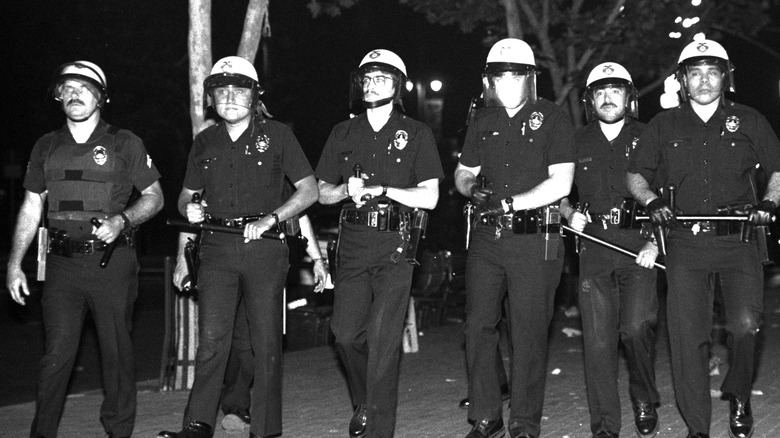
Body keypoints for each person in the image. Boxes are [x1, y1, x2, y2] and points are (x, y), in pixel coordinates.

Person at [157, 56, 318, 438]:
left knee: (263, 342)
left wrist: (271, 218)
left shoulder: (278, 135)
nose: (229, 97)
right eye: (221, 91)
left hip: (264, 247)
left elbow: (308, 190)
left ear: (254, 95)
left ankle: (264, 428)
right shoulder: (205, 141)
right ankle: (197, 424)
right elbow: (184, 197)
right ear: (210, 98)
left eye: (239, 90)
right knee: (212, 341)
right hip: (217, 249)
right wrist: (189, 208)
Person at [627, 39, 780, 438]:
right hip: (685, 244)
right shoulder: (664, 125)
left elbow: (778, 169)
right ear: (682, 80)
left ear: (725, 77)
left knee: (747, 326)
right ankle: (698, 426)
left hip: (739, 239)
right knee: (687, 337)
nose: (704, 80)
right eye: (695, 73)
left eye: (713, 72)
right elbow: (636, 174)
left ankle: (740, 394)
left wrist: (769, 201)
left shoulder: (750, 120)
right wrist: (651, 199)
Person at [5, 60, 164, 438]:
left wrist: (122, 220)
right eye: (67, 89)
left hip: (112, 264)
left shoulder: (125, 142)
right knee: (56, 357)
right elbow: (31, 206)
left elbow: (155, 198)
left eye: (85, 87)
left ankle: (118, 431)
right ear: (59, 97)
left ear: (101, 97)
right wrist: (14, 264)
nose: (75, 94)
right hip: (61, 266)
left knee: (116, 354)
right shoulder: (46, 145)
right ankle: (41, 433)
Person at [315, 49, 443, 438]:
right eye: (366, 79)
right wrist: (343, 190)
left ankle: (379, 430)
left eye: (381, 79)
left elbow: (431, 196)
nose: (371, 85)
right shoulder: (343, 132)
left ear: (399, 86)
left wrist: (385, 189)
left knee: (384, 342)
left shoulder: (417, 133)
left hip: (396, 243)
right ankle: (366, 403)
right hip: (352, 240)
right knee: (345, 333)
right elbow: (320, 191)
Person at [455, 38, 575, 438]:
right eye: (499, 76)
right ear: (489, 80)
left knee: (527, 332)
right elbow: (463, 170)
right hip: (486, 239)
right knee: (477, 326)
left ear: (530, 78)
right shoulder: (481, 119)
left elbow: (561, 182)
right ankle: (486, 416)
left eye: (515, 75)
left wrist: (509, 203)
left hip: (532, 239)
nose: (507, 83)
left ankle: (524, 423)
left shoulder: (553, 117)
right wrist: (471, 187)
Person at [559, 62, 660, 438]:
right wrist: (569, 214)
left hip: (639, 245)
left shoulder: (651, 135)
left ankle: (644, 396)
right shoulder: (576, 139)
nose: (607, 97)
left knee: (635, 329)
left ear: (629, 97)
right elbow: (558, 191)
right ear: (590, 100)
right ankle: (604, 426)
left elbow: (669, 193)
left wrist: (655, 241)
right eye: (599, 92)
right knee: (599, 341)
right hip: (595, 246)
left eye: (615, 90)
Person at [209, 214, 329, 434]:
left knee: (255, 338)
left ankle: (245, 410)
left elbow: (299, 214)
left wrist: (317, 259)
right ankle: (236, 403)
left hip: (267, 259)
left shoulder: (280, 180)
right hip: (225, 254)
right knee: (233, 336)